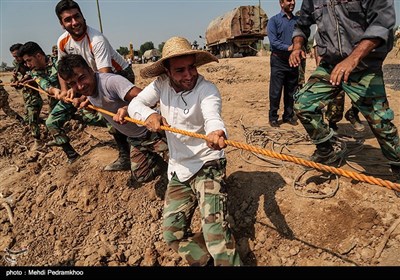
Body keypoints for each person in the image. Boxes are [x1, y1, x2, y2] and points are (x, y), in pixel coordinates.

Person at [127, 36, 242, 266]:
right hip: (179, 169)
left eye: (192, 68)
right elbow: (134, 105)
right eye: (180, 70)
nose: (189, 75)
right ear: (168, 72)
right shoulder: (160, 84)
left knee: (215, 235)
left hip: (207, 164)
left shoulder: (207, 89)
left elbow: (213, 116)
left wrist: (216, 132)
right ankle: (205, 262)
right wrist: (149, 115)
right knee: (172, 234)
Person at [289, 0, 400, 188]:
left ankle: (398, 167)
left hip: (364, 67)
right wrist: (298, 45)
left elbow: (381, 25)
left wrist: (353, 59)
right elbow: (302, 24)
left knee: (381, 123)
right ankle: (326, 150)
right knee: (303, 104)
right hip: (330, 65)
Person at [58, 54, 168, 185]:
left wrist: (128, 109)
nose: (80, 86)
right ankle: (162, 164)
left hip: (153, 131)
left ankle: (171, 167)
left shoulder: (111, 82)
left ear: (90, 70)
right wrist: (88, 106)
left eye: (82, 78)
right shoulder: (89, 91)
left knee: (179, 163)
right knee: (142, 176)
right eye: (73, 84)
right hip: (136, 139)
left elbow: (148, 99)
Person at [54, 0, 136, 171]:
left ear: (83, 16)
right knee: (102, 111)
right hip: (86, 78)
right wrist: (64, 91)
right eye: (68, 19)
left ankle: (127, 155)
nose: (74, 22)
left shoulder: (97, 40)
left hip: (117, 74)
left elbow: (104, 76)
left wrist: (87, 98)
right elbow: (62, 69)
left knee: (114, 109)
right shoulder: (62, 42)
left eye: (77, 16)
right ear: (62, 24)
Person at [19, 41, 107, 164]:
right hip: (64, 101)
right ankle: (72, 155)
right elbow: (45, 84)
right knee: (51, 122)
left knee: (98, 119)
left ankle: (122, 132)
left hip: (82, 94)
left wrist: (72, 92)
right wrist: (56, 91)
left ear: (38, 56)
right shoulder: (34, 72)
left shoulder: (58, 61)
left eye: (29, 60)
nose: (28, 64)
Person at [312, 29, 365, 133]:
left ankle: (353, 113)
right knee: (337, 96)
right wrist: (319, 65)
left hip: (356, 61)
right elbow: (317, 43)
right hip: (334, 62)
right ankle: (332, 124)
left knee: (363, 92)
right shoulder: (324, 15)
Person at [267, 0, 299, 127]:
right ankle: (273, 117)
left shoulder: (298, 21)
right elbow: (273, 42)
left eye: (293, 0)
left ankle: (288, 115)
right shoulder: (273, 21)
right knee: (276, 91)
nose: (292, 3)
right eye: (289, 0)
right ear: (281, 3)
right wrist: (289, 48)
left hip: (293, 61)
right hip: (278, 60)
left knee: (291, 90)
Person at [9, 43, 44, 150]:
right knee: (29, 118)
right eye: (14, 56)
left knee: (32, 118)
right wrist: (15, 81)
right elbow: (17, 83)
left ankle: (38, 141)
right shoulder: (17, 65)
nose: (17, 58)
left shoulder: (31, 61)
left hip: (34, 95)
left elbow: (36, 75)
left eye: (17, 55)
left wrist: (26, 80)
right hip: (26, 96)